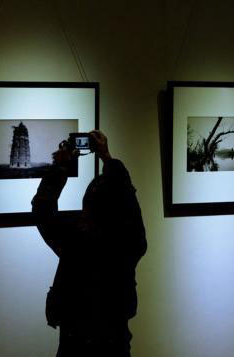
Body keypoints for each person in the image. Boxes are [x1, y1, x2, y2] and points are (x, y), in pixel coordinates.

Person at [31, 130, 147, 356]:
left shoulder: (75, 239)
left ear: (87, 207)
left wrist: (60, 168)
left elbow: (42, 210)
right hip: (116, 343)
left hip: (75, 344)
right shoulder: (130, 241)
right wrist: (107, 157)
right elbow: (129, 205)